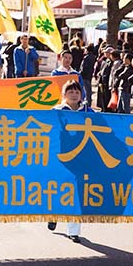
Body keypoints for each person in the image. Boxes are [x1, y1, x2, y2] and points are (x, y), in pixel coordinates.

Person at [46, 80, 93, 243]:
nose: (74, 95)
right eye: (70, 92)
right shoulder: (56, 111)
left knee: (77, 193)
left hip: (81, 158)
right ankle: (53, 215)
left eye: (77, 92)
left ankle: (74, 231)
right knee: (59, 189)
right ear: (64, 95)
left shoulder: (88, 111)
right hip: (60, 158)